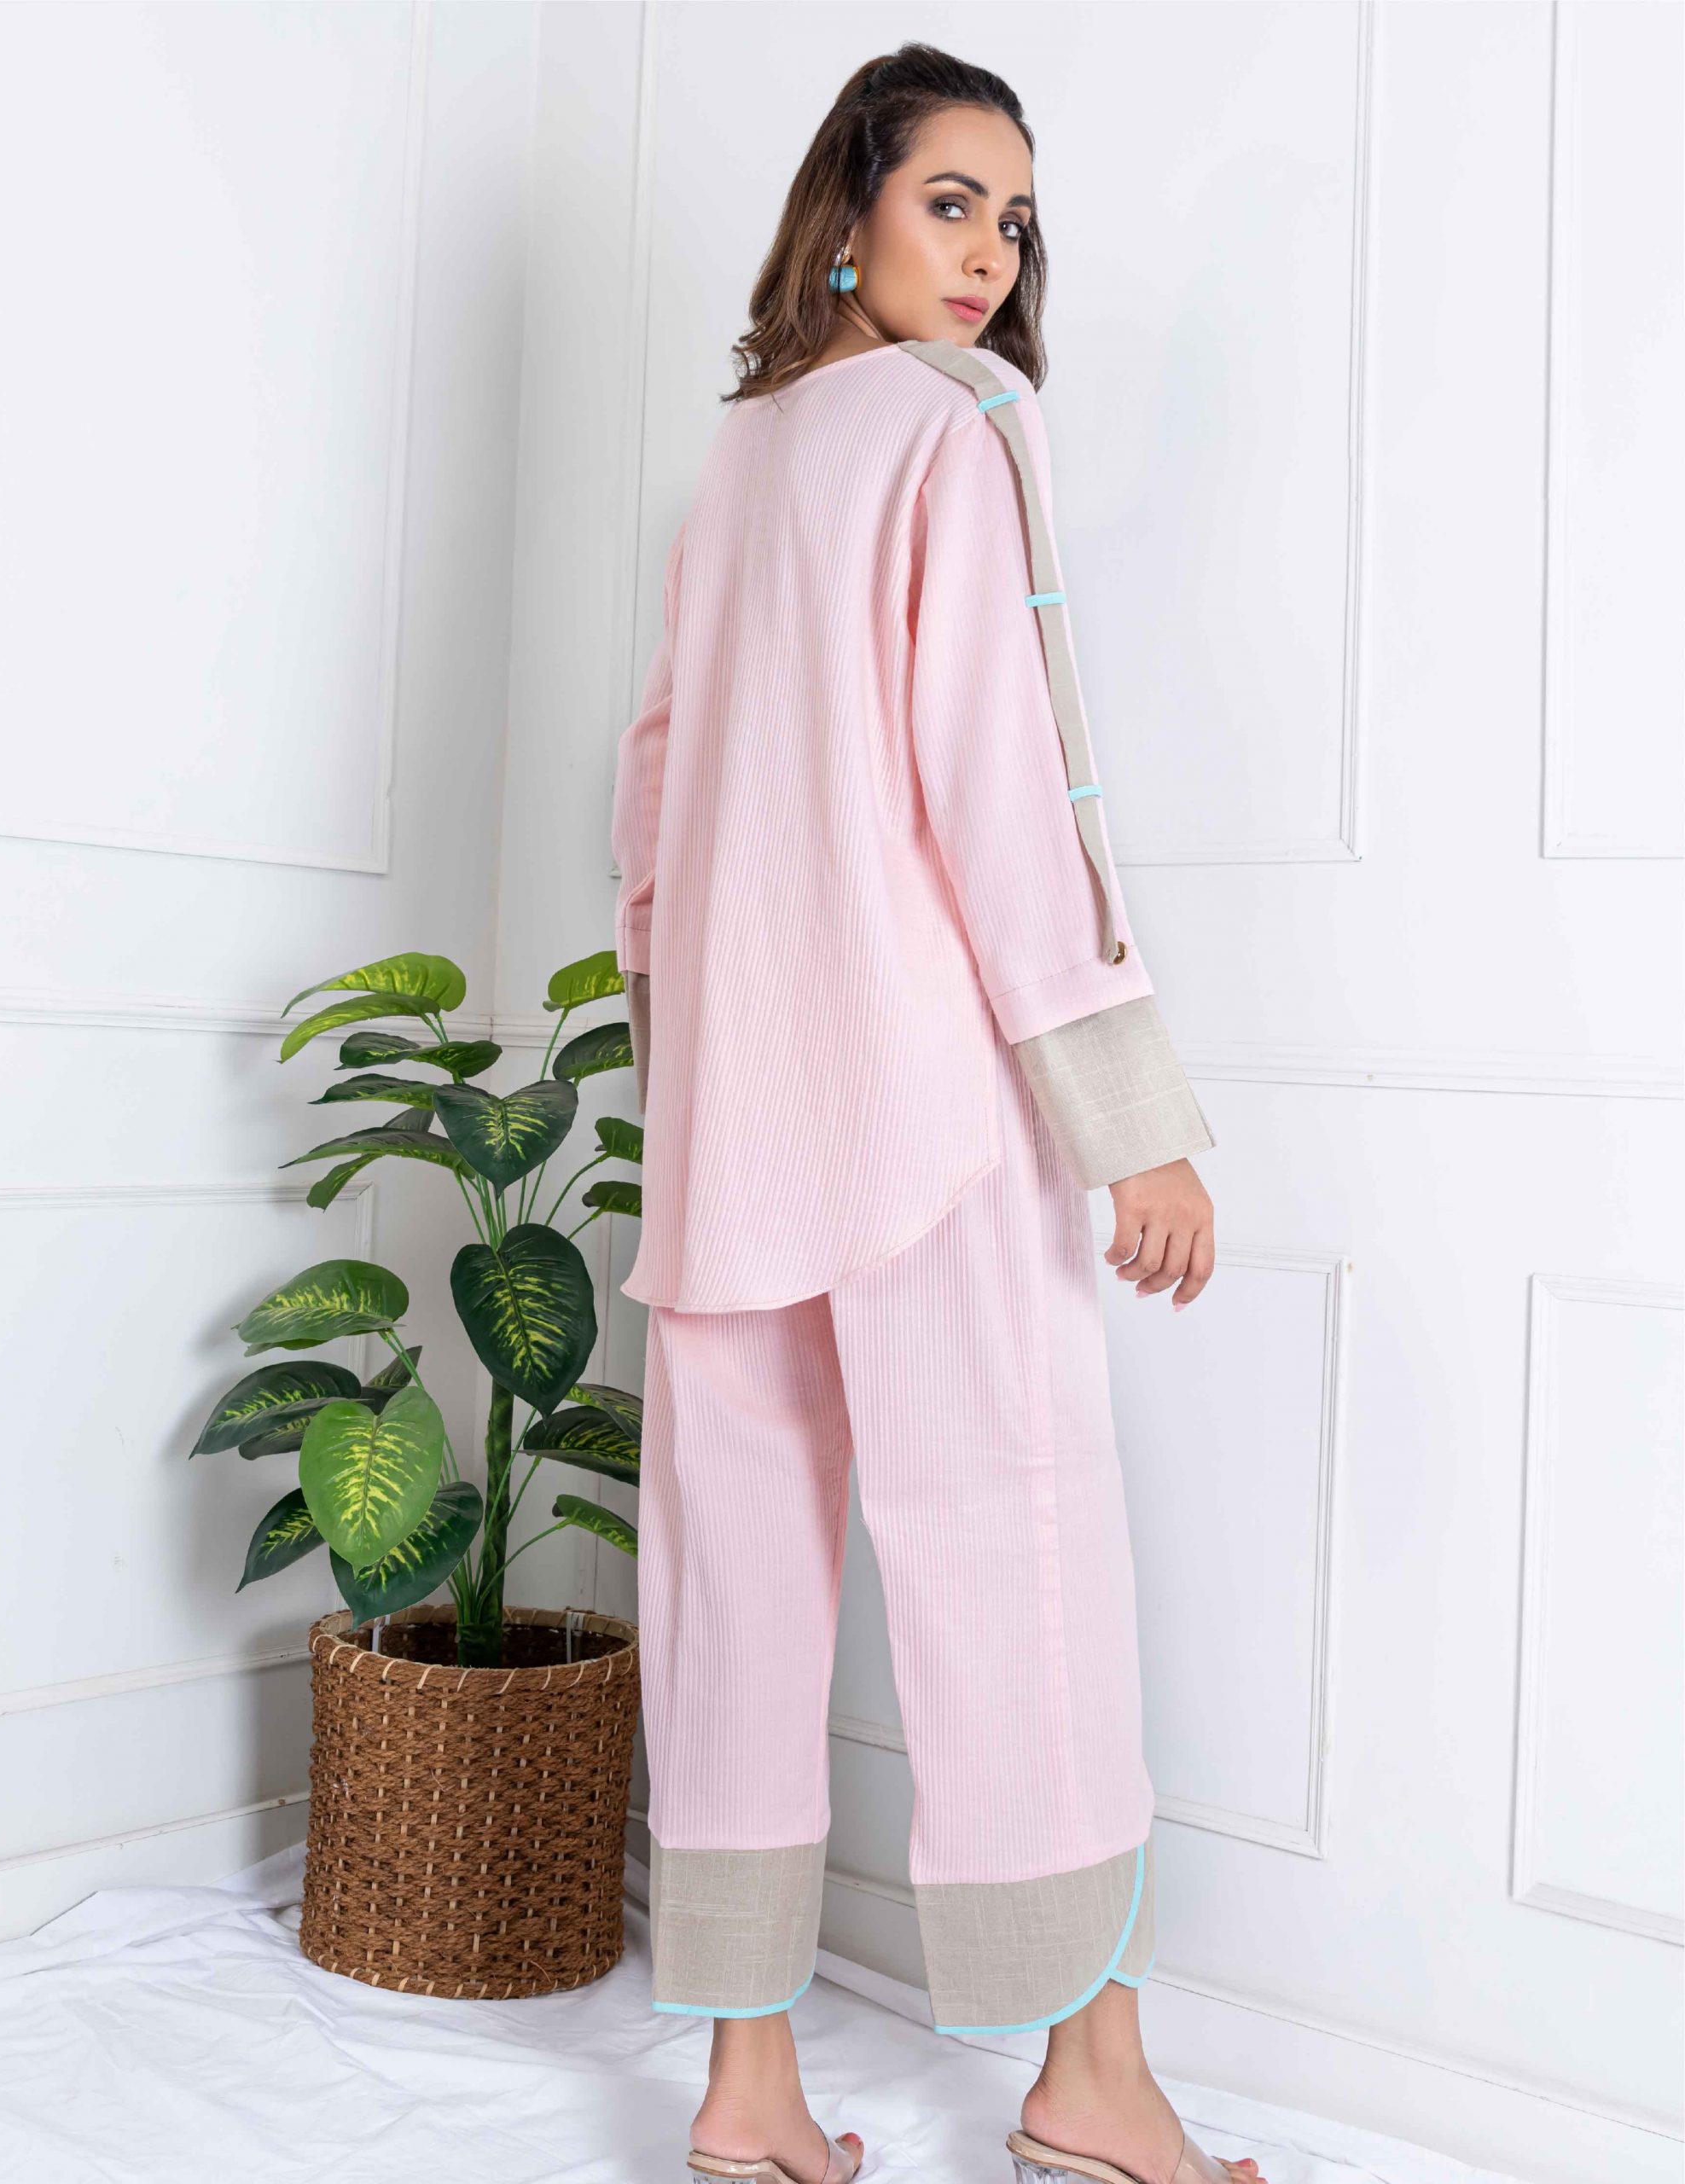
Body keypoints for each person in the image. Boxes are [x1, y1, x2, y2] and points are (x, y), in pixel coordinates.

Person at [610, 45, 1267, 2184]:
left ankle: (744, 2097)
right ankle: (1089, 2077)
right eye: (948, 202)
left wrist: (686, 1056)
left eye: (1013, 219)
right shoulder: (955, 426)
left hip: (736, 1116)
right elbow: (1008, 782)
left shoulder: (741, 462)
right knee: (1021, 1548)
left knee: (732, 1579)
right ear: (849, 213)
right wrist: (1120, 1113)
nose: (986, 255)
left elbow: (651, 795)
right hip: (921, 1108)